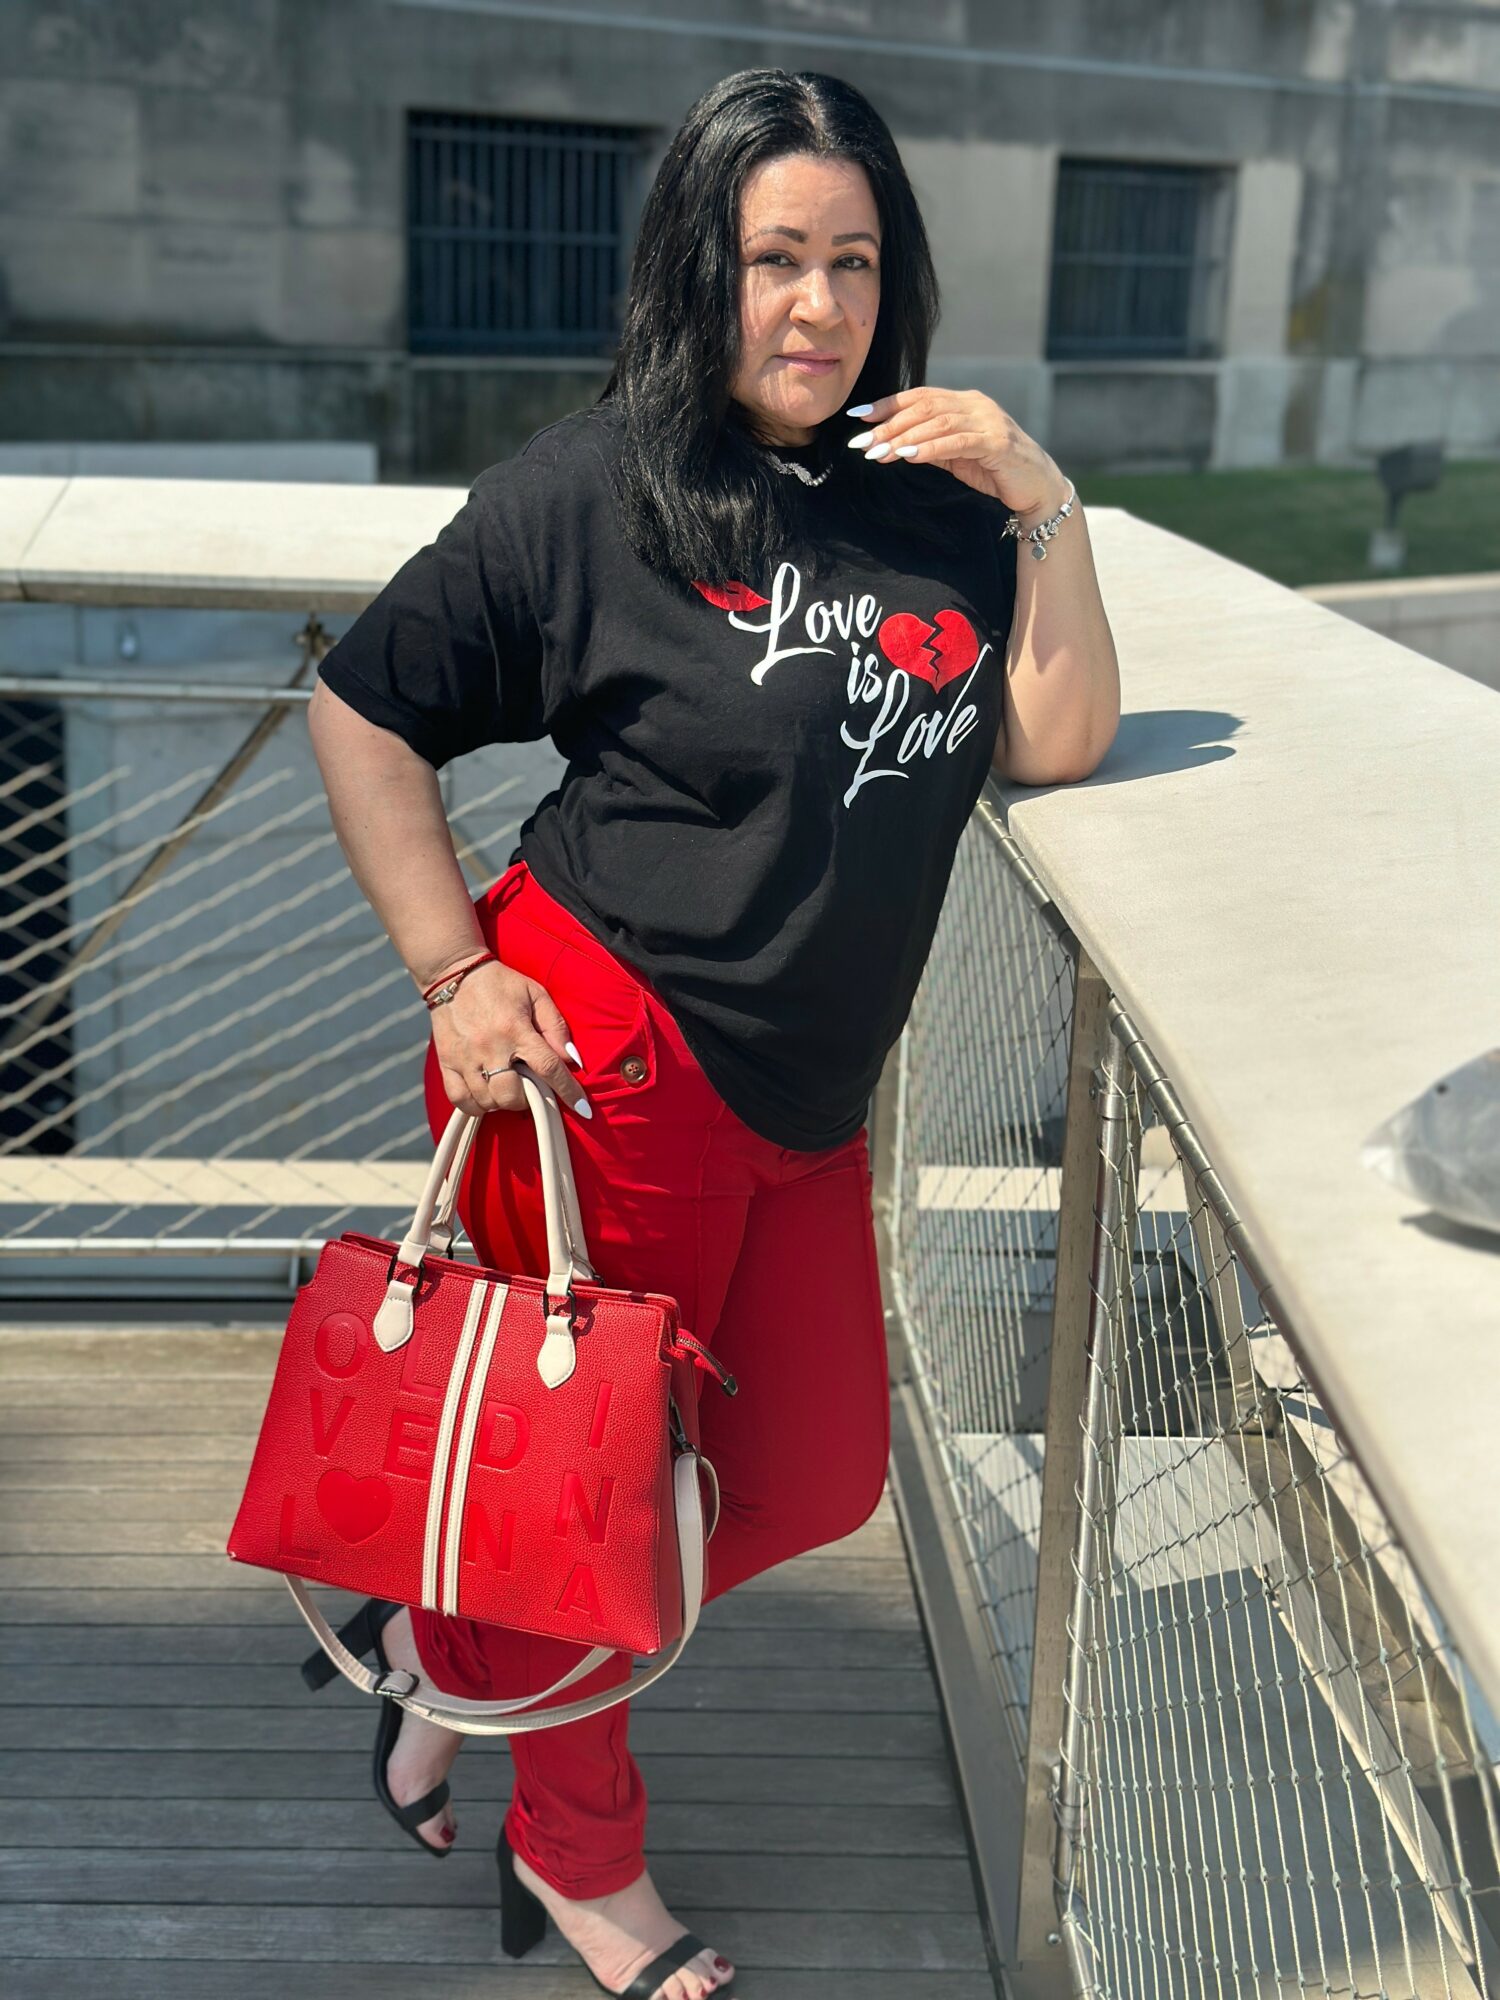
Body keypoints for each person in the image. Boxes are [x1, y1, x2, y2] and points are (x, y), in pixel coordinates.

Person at [306, 64, 1118, 2000]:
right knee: (594, 1505)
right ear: (702, 267)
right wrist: (452, 969)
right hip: (600, 1068)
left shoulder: (940, 500)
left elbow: (1057, 735)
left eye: (850, 261)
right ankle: (581, 1858)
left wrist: (1049, 499)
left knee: (815, 1477)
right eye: (774, 259)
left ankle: (459, 1651)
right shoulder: (597, 489)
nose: (816, 306)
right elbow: (363, 708)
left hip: (808, 1092)